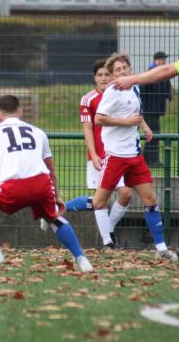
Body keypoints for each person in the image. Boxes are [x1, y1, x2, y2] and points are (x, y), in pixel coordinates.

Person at [65, 54, 178, 261]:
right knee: (99, 202)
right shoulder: (112, 92)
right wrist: (128, 123)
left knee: (150, 199)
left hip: (134, 156)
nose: (122, 72)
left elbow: (135, 112)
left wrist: (143, 126)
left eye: (125, 68)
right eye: (117, 70)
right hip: (115, 157)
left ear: (130, 69)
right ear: (113, 75)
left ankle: (161, 249)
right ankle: (58, 209)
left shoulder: (134, 88)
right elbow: (99, 119)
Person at [0, 95, 94, 272]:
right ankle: (82, 259)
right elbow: (51, 170)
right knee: (53, 217)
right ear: (20, 111)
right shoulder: (38, 132)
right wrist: (55, 197)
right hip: (42, 184)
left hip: (14, 188)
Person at [67, 59, 133, 248]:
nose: (104, 78)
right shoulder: (88, 99)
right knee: (100, 200)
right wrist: (94, 155)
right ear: (95, 78)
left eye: (107, 74)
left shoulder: (123, 94)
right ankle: (107, 242)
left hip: (121, 155)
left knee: (126, 193)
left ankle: (108, 228)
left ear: (113, 76)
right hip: (100, 156)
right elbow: (88, 129)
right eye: (100, 75)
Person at [140, 52, 172, 167]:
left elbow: (167, 86)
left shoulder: (162, 73)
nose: (164, 61)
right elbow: (142, 89)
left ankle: (147, 159)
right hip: (149, 109)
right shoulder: (151, 73)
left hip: (156, 109)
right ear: (157, 60)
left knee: (153, 133)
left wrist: (168, 96)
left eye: (164, 59)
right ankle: (152, 161)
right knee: (154, 133)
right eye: (162, 59)